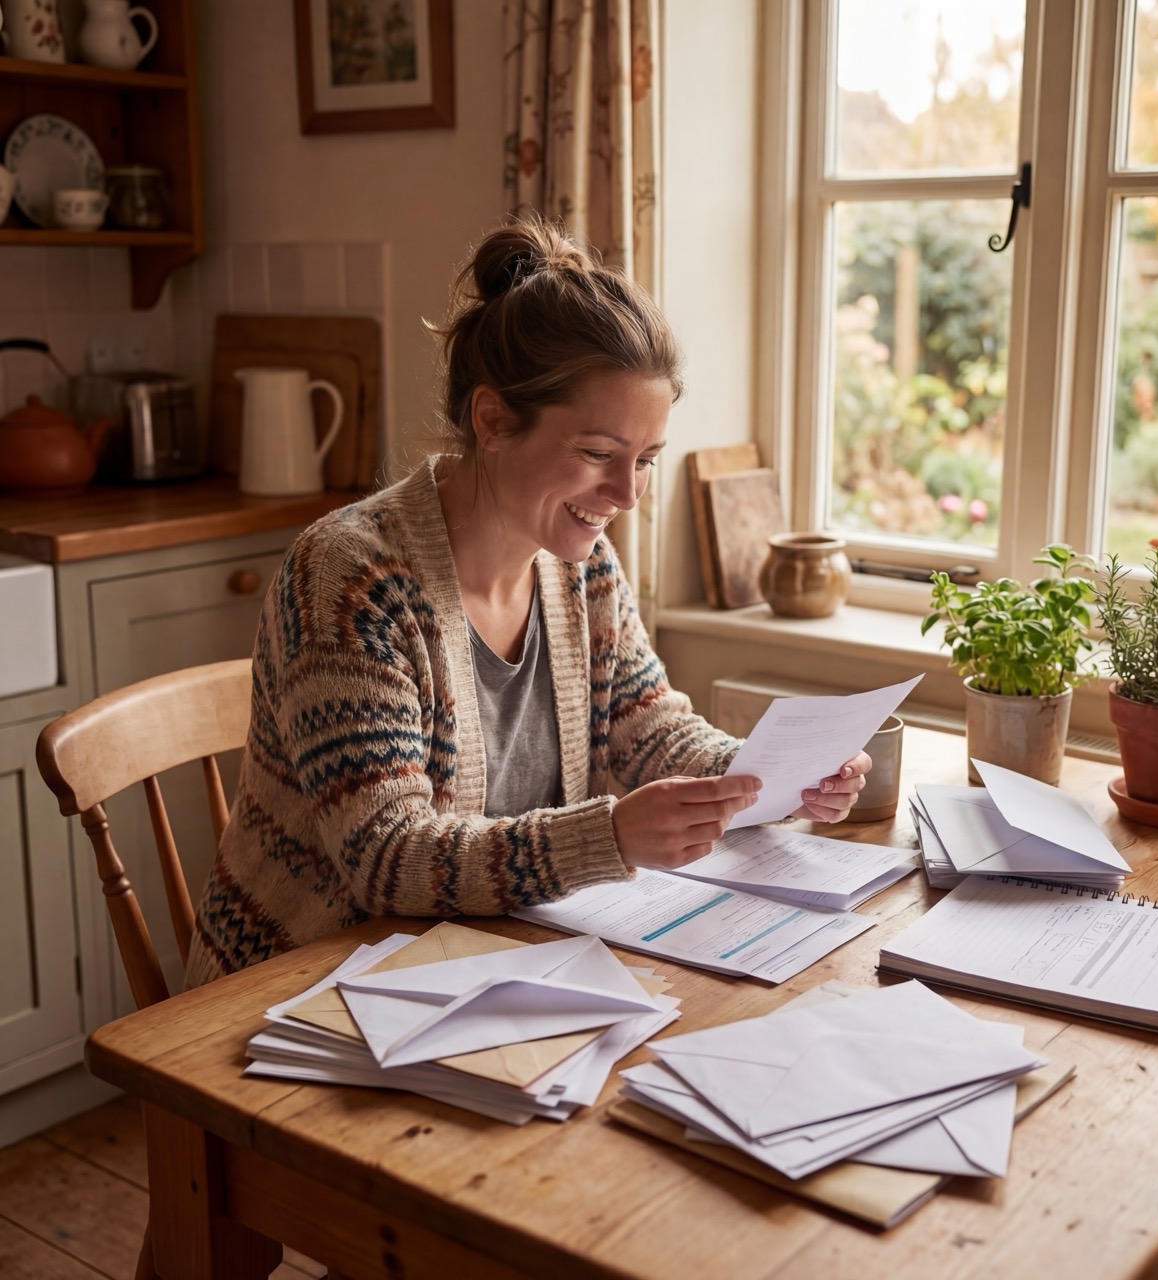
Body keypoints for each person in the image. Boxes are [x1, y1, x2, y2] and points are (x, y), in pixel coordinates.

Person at [184, 216, 871, 987]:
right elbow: (388, 859)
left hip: (479, 971)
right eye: (597, 455)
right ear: (493, 419)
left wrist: (763, 778)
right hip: (296, 990)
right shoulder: (352, 579)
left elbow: (649, 733)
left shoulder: (583, 568)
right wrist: (608, 836)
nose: (626, 495)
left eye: (645, 461)